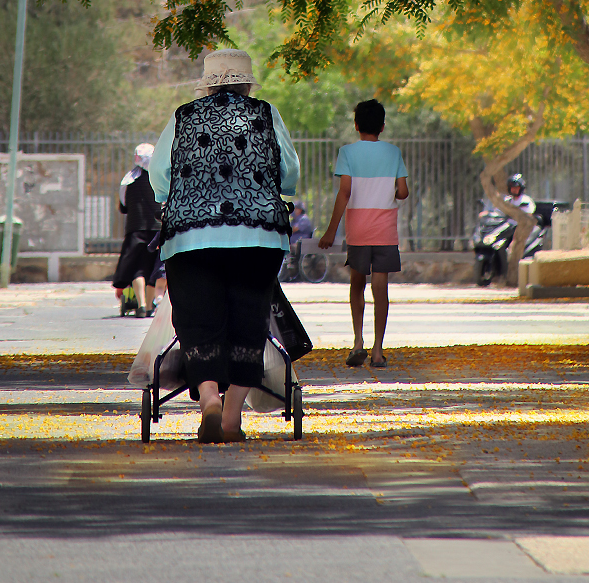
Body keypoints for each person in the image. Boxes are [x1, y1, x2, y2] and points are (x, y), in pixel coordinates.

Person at [149, 48, 299, 444]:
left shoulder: (184, 116)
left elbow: (159, 173)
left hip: (190, 236)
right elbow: (291, 171)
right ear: (247, 83)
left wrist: (173, 196)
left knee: (199, 319)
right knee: (248, 321)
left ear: (207, 84)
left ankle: (209, 400)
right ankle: (231, 419)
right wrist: (280, 191)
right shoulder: (265, 113)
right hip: (258, 234)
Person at [319, 99, 408, 369]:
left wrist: (331, 231)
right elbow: (403, 192)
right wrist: (388, 192)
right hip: (385, 230)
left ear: (356, 125)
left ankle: (358, 342)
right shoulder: (393, 153)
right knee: (380, 288)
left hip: (358, 230)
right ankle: (378, 350)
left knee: (357, 284)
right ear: (382, 126)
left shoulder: (347, 152)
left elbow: (344, 192)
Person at [111, 143, 160, 317]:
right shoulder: (160, 178)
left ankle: (141, 305)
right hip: (157, 229)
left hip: (135, 230)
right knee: (155, 268)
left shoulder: (128, 179)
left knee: (138, 268)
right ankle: (149, 307)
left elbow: (123, 205)